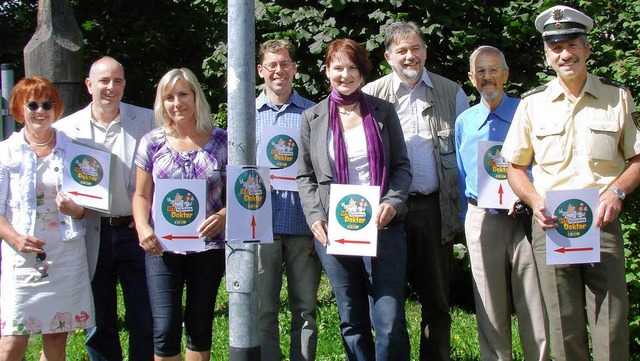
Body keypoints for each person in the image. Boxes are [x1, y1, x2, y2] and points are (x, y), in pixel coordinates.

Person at [501, 5, 640, 360]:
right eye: (556, 47)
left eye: (572, 44)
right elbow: (515, 167)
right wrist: (534, 201)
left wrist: (617, 190)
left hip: (601, 221)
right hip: (551, 225)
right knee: (562, 327)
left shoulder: (617, 97)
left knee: (611, 324)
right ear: (547, 55)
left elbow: (637, 158)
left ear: (587, 49)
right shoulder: (533, 103)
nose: (566, 54)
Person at [297, 38, 412, 361]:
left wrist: (393, 201)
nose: (345, 75)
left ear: (362, 73)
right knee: (352, 319)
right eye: (338, 68)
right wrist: (314, 216)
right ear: (327, 72)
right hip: (335, 230)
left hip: (382, 227)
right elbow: (304, 175)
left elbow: (402, 166)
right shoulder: (312, 118)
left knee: (389, 321)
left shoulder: (382, 112)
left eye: (352, 68)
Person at [362, 21, 468, 360]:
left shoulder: (451, 93)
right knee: (387, 300)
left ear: (425, 51)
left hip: (433, 208)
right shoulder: (370, 97)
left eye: (416, 48)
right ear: (388, 56)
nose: (411, 56)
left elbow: (466, 156)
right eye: (402, 50)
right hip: (385, 212)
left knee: (436, 299)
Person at [54, 56, 154, 361]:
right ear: (89, 85)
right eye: (104, 81)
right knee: (98, 321)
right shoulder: (65, 130)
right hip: (91, 231)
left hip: (136, 231)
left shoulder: (148, 120)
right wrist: (68, 206)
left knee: (144, 316)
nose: (111, 87)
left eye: (118, 81)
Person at [454, 45, 549, 360]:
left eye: (494, 69)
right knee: (489, 304)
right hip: (482, 218)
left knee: (534, 301)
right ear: (471, 77)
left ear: (506, 74)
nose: (487, 77)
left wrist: (527, 195)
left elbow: (542, 164)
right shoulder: (464, 122)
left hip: (524, 219)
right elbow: (460, 172)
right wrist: (466, 216)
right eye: (480, 71)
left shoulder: (527, 112)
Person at [132, 68, 227, 360]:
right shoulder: (151, 142)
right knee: (165, 326)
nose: (177, 103)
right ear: (162, 103)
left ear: (196, 96)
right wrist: (142, 228)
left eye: (183, 94)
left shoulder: (222, 141)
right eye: (169, 97)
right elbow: (141, 195)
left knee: (199, 325)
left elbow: (241, 193)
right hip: (162, 247)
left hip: (208, 247)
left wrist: (225, 215)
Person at [0, 76, 94, 361]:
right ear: (19, 108)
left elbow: (88, 204)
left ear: (56, 108)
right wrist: (15, 238)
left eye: (47, 104)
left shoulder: (75, 150)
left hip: (64, 254)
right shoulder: (5, 152)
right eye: (32, 104)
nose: (40, 110)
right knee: (11, 341)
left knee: (56, 337)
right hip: (21, 256)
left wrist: (76, 210)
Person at [255, 39, 321, 361]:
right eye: (271, 65)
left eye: (284, 64)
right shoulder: (246, 115)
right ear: (260, 71)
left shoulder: (314, 113)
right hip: (260, 225)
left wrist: (319, 224)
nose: (278, 71)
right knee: (263, 310)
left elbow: (324, 171)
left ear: (294, 68)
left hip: (302, 225)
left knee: (306, 310)